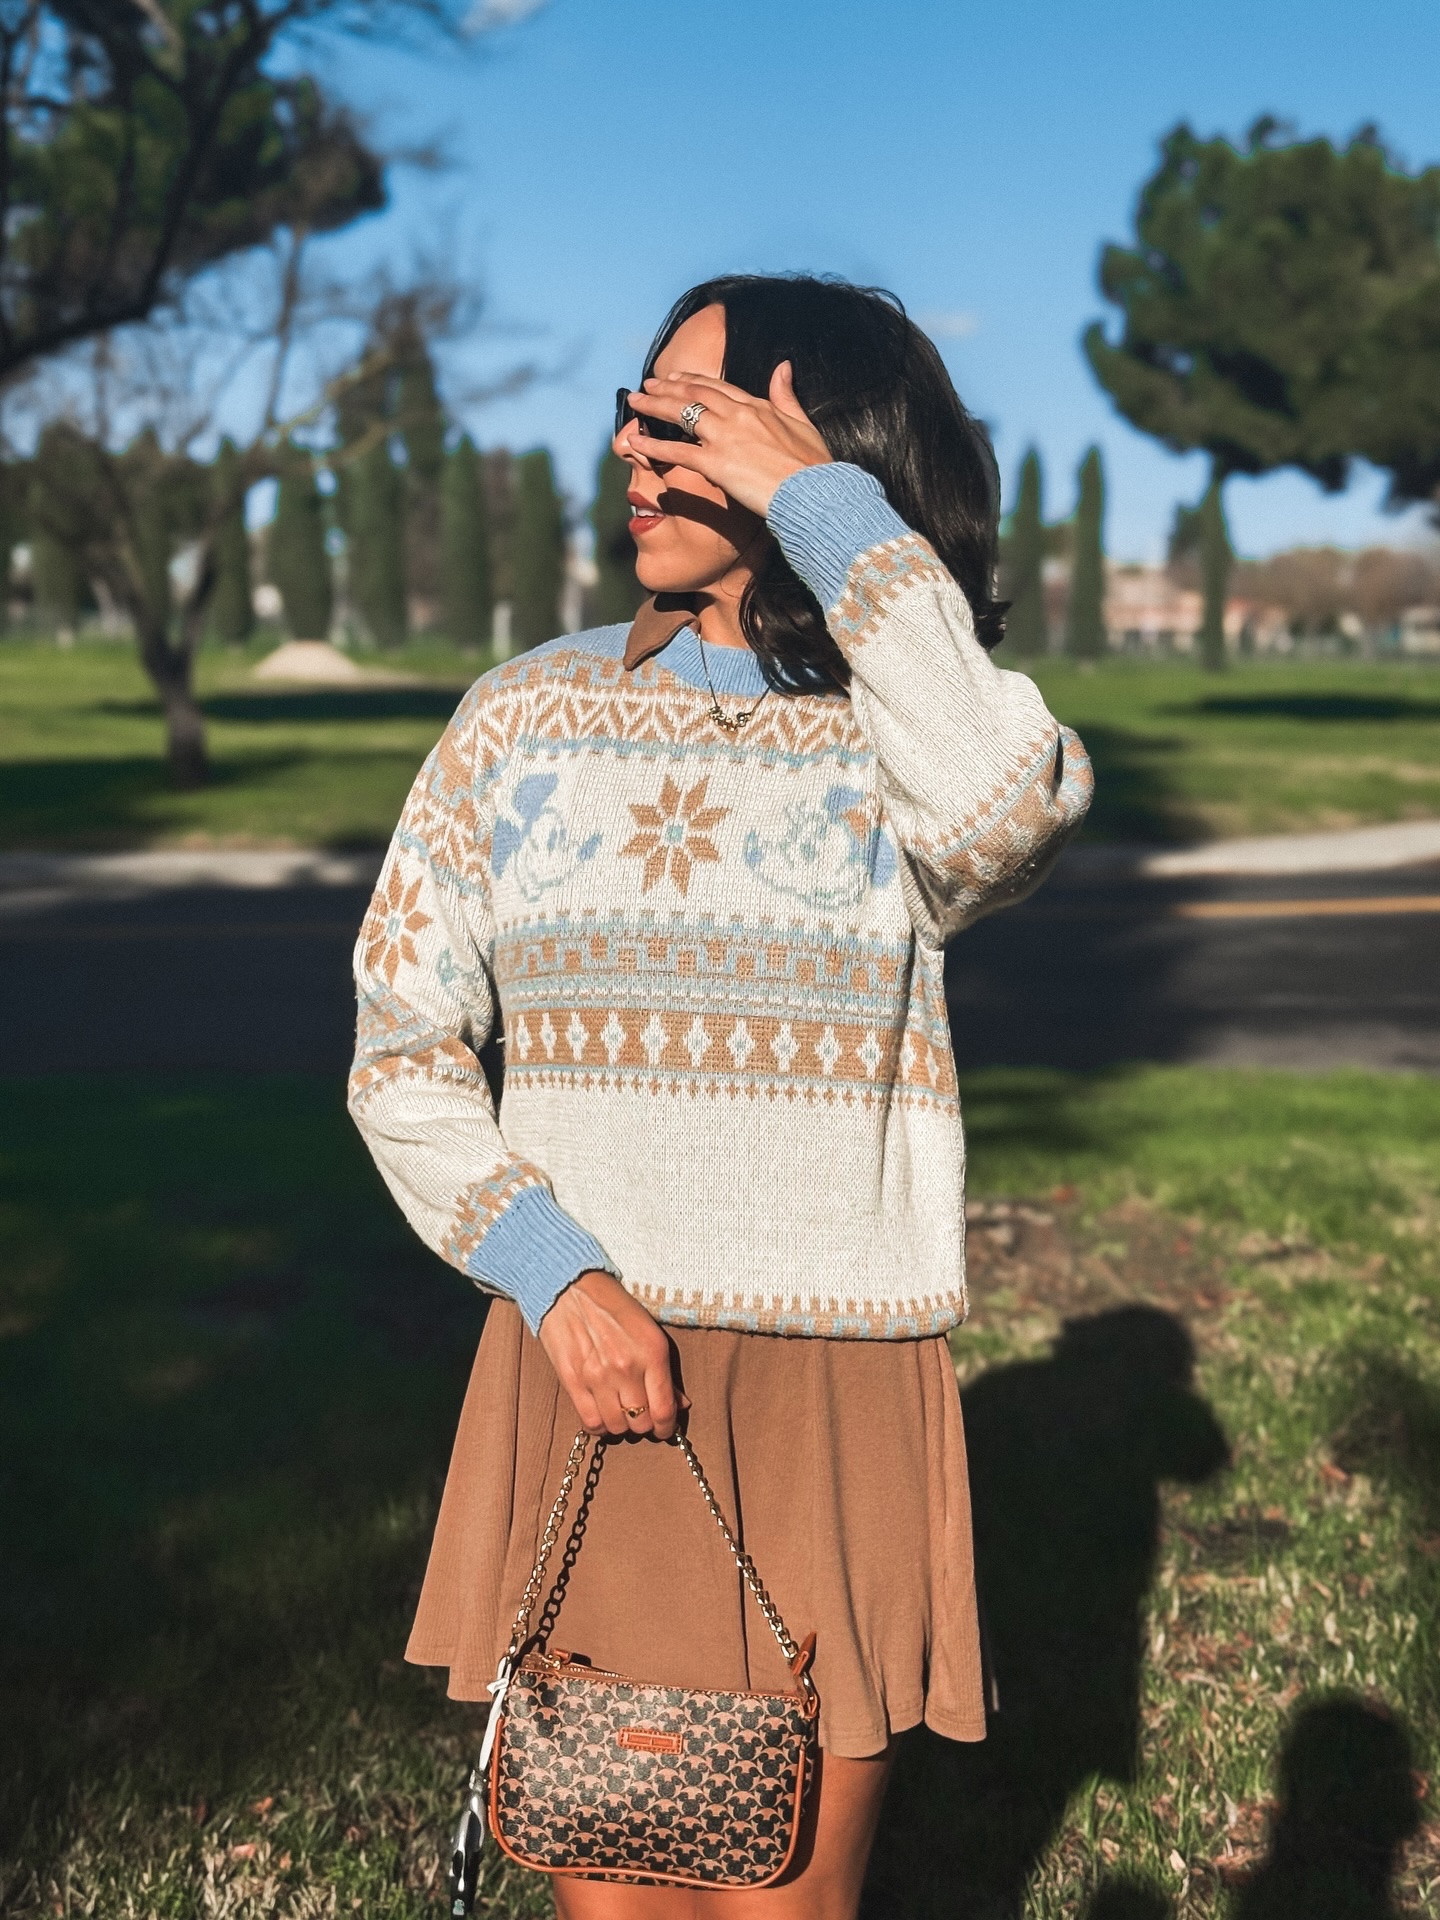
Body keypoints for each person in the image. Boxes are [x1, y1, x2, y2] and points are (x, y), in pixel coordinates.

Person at [348, 273, 1093, 1919]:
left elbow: (1005, 811)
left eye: (687, 417)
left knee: (788, 1910)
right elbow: (400, 1052)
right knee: (617, 1897)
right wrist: (555, 1272)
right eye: (636, 402)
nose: (632, 443)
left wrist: (819, 509)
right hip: (591, 1364)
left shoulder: (911, 741)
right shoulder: (524, 719)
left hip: (838, 1389)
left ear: (803, 451)